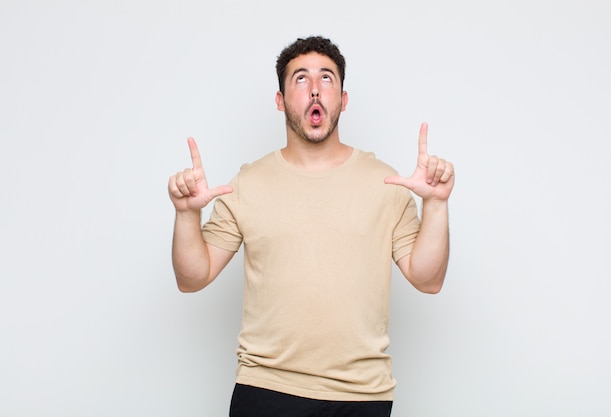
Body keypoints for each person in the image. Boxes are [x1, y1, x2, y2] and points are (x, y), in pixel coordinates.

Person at [168, 36, 454, 417]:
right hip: (265, 390)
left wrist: (436, 204)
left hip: (361, 396)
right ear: (281, 100)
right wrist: (187, 214)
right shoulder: (247, 184)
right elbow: (192, 277)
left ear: (343, 99)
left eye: (327, 79)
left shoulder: (385, 183)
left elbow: (428, 279)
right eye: (300, 79)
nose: (315, 89)